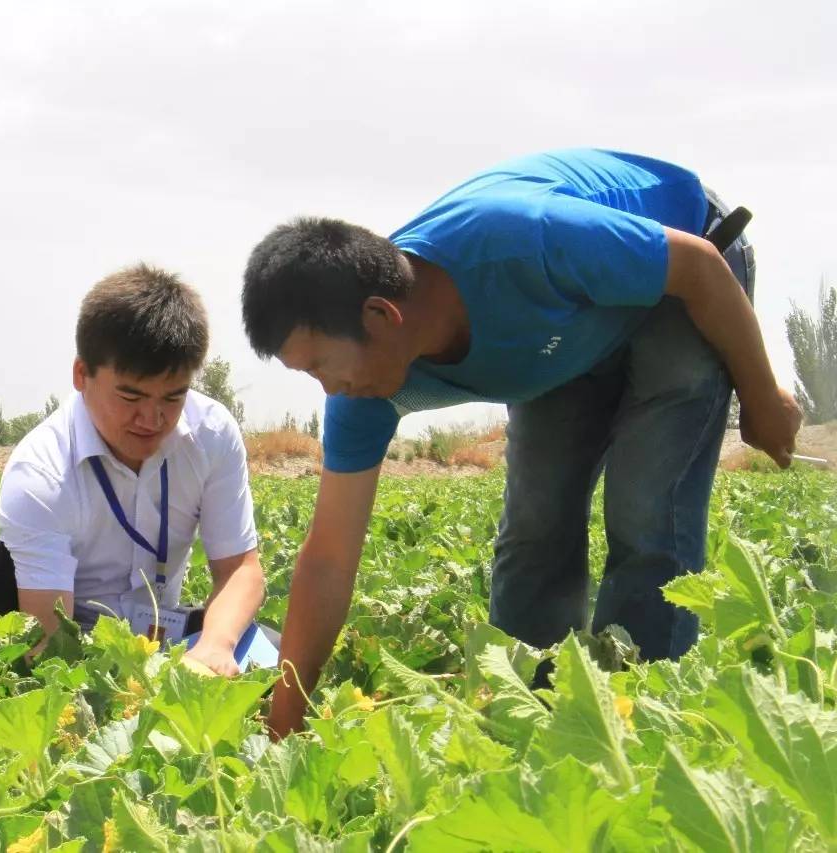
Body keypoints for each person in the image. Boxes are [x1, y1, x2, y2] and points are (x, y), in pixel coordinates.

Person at [240, 149, 802, 736]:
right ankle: (526, 719)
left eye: (322, 365)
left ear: (382, 316)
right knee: (536, 525)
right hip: (563, 333)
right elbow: (329, 556)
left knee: (648, 513)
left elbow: (700, 267)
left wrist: (763, 399)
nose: (327, 387)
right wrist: (284, 727)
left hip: (682, 270)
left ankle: (647, 728)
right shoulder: (360, 395)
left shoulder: (520, 242)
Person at [0, 264, 267, 676]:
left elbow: (240, 569)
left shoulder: (211, 433)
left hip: (161, 630)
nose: (151, 419)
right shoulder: (41, 471)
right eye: (130, 396)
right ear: (81, 374)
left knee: (268, 654)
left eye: (172, 398)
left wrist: (213, 649)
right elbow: (52, 639)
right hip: (74, 633)